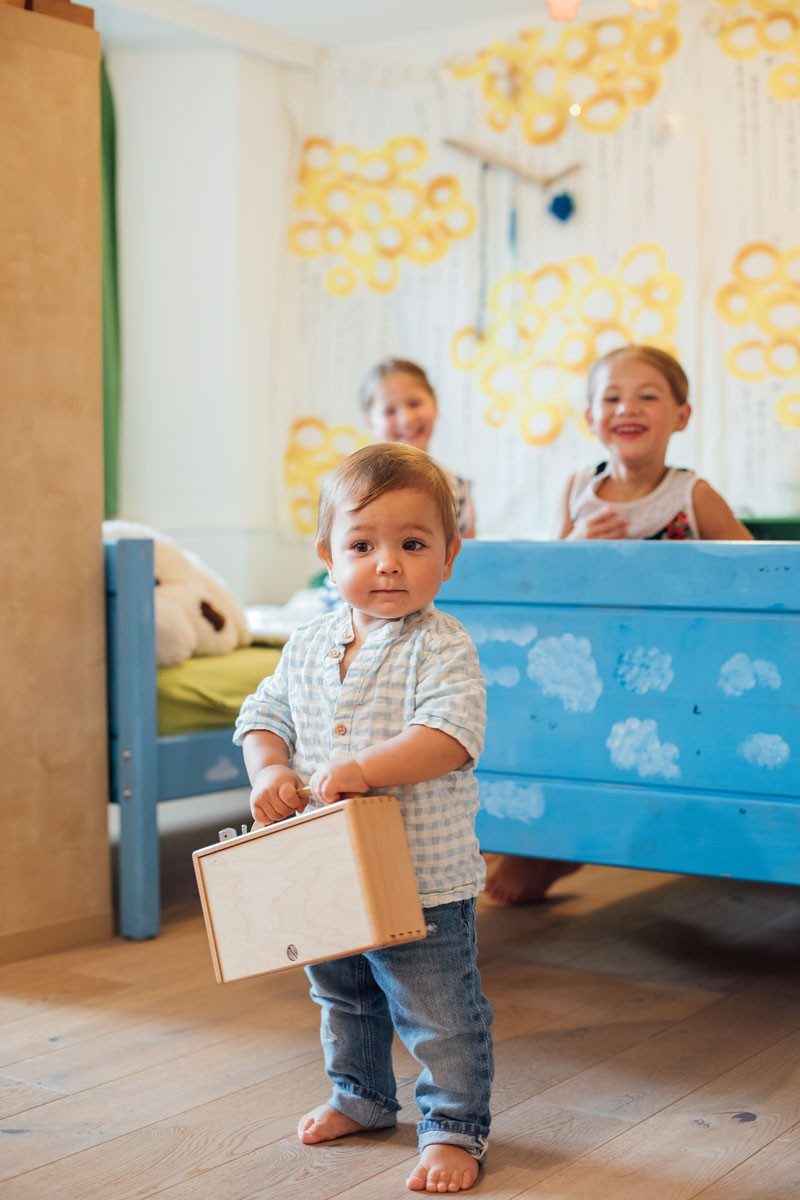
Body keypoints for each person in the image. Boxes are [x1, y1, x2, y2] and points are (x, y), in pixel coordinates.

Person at [234, 442, 493, 1193]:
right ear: (327, 555)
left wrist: (364, 768)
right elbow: (265, 711)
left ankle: (453, 1126)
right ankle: (362, 1095)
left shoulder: (441, 645)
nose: (387, 564)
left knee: (436, 1007)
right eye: (362, 545)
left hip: (420, 878)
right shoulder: (310, 641)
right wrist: (270, 767)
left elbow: (449, 736)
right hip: (325, 871)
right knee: (342, 993)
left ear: (449, 555)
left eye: (412, 545)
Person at [485, 342, 753, 905]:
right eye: (611, 398)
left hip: (678, 672)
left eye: (647, 396)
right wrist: (578, 545)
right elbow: (545, 581)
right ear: (589, 418)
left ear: (681, 416)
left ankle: (566, 844)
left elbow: (757, 577)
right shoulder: (580, 490)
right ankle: (544, 840)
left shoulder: (692, 495)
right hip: (591, 668)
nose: (627, 408)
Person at [359, 357, 477, 538]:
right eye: (390, 411)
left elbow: (468, 556)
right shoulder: (358, 488)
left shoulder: (457, 488)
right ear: (370, 422)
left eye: (414, 403)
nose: (406, 418)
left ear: (434, 403)